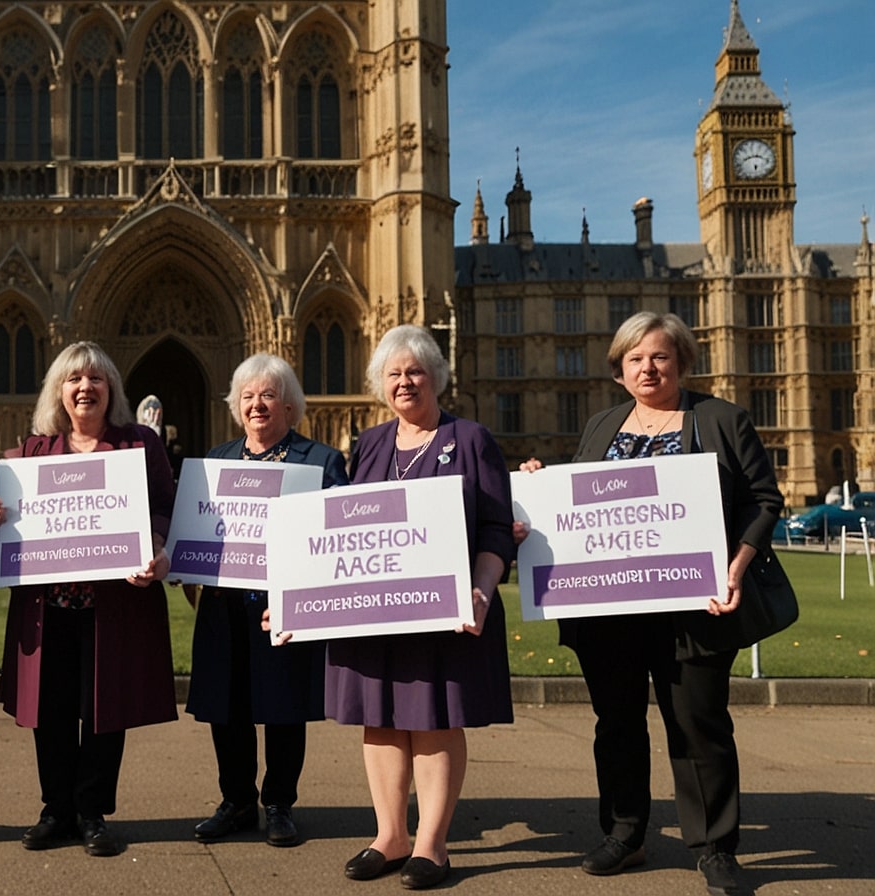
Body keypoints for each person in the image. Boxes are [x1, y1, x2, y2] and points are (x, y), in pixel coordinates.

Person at [518, 312, 781, 896]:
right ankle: (625, 833)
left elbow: (764, 501)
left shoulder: (719, 419)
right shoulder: (601, 426)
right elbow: (581, 506)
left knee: (698, 725)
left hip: (696, 604)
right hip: (609, 613)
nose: (648, 367)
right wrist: (537, 487)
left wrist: (736, 566)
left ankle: (714, 846)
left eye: (660, 356)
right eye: (635, 359)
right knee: (616, 724)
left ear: (682, 361)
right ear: (619, 370)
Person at [322, 325, 513, 889]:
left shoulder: (470, 439)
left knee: (433, 721)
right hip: (377, 612)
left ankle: (432, 842)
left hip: (445, 611)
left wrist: (481, 590)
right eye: (394, 374)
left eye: (415, 371)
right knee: (379, 720)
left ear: (437, 378)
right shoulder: (371, 443)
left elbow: (498, 529)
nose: (405, 382)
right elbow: (350, 530)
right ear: (381, 385)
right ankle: (390, 835)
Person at [0, 341, 178, 857]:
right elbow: (5, 516)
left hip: (112, 605)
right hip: (50, 608)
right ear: (59, 391)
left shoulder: (138, 445)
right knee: (50, 709)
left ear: (110, 389)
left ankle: (91, 811)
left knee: (103, 708)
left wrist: (157, 550)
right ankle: (56, 810)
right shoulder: (33, 452)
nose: (84, 387)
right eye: (74, 380)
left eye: (95, 379)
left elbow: (165, 510)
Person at [186, 353, 347, 847]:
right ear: (237, 408)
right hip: (225, 606)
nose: (257, 405)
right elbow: (195, 534)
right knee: (225, 706)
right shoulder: (214, 462)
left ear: (291, 407)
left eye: (268, 395)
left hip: (285, 605)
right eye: (248, 397)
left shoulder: (319, 461)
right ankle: (235, 801)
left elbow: (338, 532)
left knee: (283, 708)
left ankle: (279, 803)